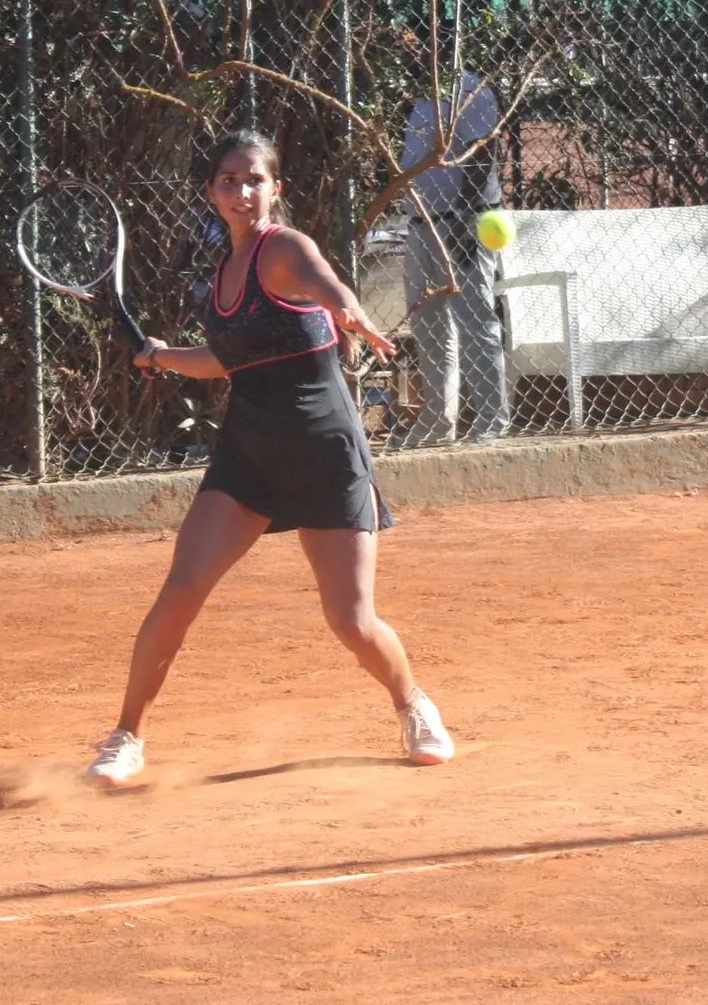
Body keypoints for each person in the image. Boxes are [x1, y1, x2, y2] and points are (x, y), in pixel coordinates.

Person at [86, 130, 455, 786]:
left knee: (351, 620)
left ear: (274, 188)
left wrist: (350, 313)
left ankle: (413, 705)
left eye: (254, 179)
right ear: (210, 192)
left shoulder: (282, 249)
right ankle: (125, 735)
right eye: (227, 180)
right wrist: (162, 356)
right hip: (248, 457)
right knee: (180, 590)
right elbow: (224, 361)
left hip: (324, 455)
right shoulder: (221, 277)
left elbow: (326, 282)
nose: (241, 192)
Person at [398, 70, 511, 444]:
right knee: (428, 328)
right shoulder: (421, 97)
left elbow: (482, 155)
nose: (410, 53)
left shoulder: (470, 90)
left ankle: (491, 422)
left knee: (476, 324)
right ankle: (437, 423)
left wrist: (464, 218)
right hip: (420, 225)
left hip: (461, 222)